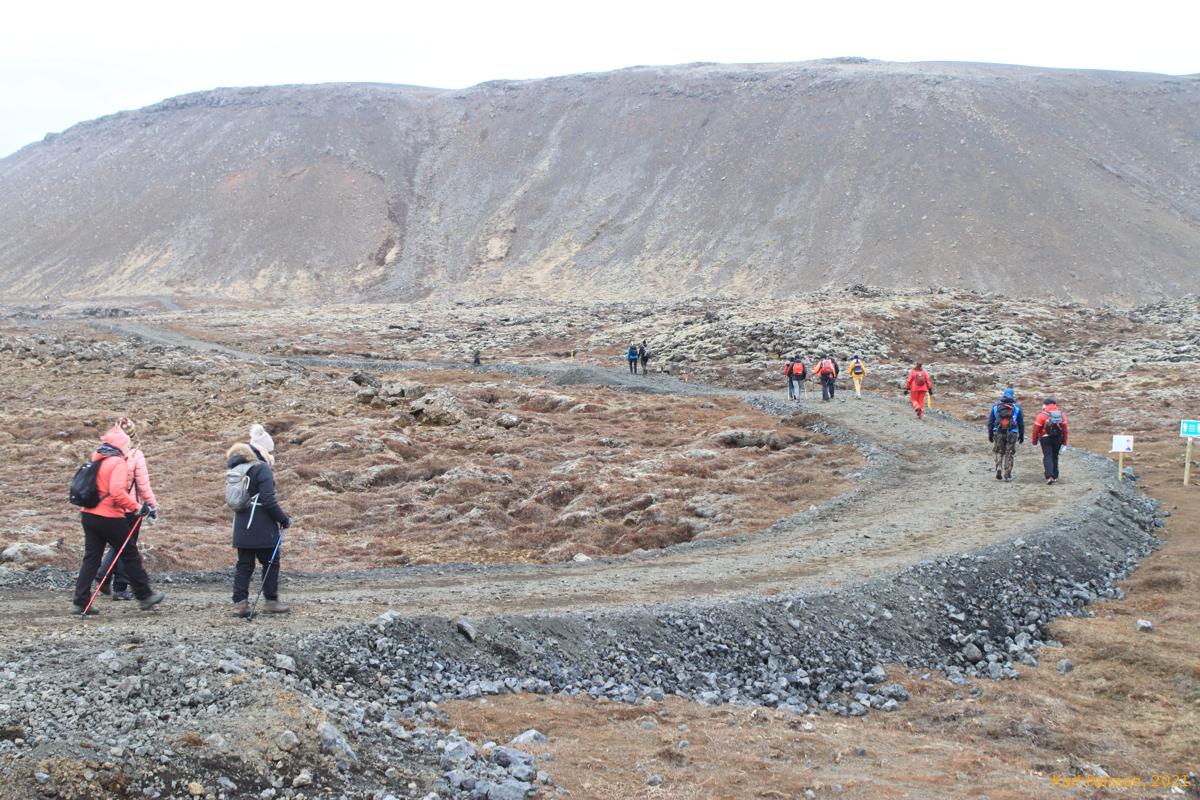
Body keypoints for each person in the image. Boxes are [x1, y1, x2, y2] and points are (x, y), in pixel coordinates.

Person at [71, 426, 164, 614]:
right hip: (109, 516)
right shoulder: (118, 462)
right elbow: (117, 493)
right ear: (121, 445)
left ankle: (80, 602)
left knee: (91, 558)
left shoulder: (97, 459)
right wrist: (138, 508)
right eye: (126, 444)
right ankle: (145, 596)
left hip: (89, 514)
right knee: (130, 554)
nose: (128, 448)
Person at [228, 424, 292, 617]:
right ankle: (271, 601)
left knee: (244, 564)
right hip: (261, 526)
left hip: (241, 525)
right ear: (263, 450)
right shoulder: (261, 468)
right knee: (271, 561)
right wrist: (283, 519)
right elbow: (268, 499)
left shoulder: (238, 467)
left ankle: (240, 604)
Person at [96, 417, 159, 600]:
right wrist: (152, 505)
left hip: (110, 506)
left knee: (117, 544)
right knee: (127, 546)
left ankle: (103, 575)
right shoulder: (136, 455)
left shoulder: (106, 453)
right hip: (132, 508)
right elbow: (143, 485)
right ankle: (119, 587)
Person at [987, 388, 1024, 481]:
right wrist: (1021, 435)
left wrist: (990, 435)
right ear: (1013, 395)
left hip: (998, 432)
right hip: (1012, 432)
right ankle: (1007, 474)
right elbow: (1021, 423)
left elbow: (990, 422)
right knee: (1009, 453)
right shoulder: (1017, 408)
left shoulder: (996, 407)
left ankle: (999, 467)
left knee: (998, 451)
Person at [1031, 398, 1069, 485]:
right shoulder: (1061, 415)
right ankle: (1055, 476)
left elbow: (1036, 430)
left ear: (1045, 405)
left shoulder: (1041, 415)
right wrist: (1064, 443)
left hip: (1045, 439)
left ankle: (1049, 476)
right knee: (1055, 456)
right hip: (1058, 438)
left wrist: (1034, 442)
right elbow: (1065, 430)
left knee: (1047, 456)